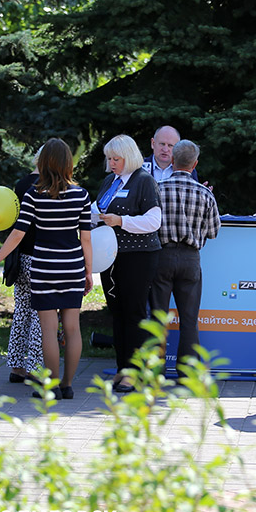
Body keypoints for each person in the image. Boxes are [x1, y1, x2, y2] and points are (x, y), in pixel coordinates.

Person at [0, 139, 93, 400]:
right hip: (72, 266)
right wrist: (88, 272)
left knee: (48, 330)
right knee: (72, 328)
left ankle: (51, 386)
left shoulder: (34, 195)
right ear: (68, 163)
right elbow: (86, 238)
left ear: (43, 163)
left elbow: (17, 234)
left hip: (44, 268)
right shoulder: (81, 195)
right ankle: (67, 385)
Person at [96, 134, 162, 392]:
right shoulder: (109, 181)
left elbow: (154, 221)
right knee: (117, 313)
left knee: (134, 313)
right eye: (109, 159)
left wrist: (121, 221)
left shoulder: (144, 181)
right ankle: (121, 368)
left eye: (116, 159)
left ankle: (134, 373)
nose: (111, 163)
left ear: (129, 156)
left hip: (138, 256)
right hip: (111, 256)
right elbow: (98, 210)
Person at [150, 139, 221, 372]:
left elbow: (149, 225)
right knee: (189, 320)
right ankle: (187, 373)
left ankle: (155, 373)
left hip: (161, 257)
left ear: (172, 160)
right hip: (190, 259)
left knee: (158, 317)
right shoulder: (205, 194)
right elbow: (213, 232)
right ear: (195, 164)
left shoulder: (157, 189)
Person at [6, 150, 43, 383]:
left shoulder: (21, 184)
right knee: (41, 312)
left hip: (21, 256)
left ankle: (16, 365)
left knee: (21, 309)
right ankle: (35, 366)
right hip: (41, 257)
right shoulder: (48, 187)